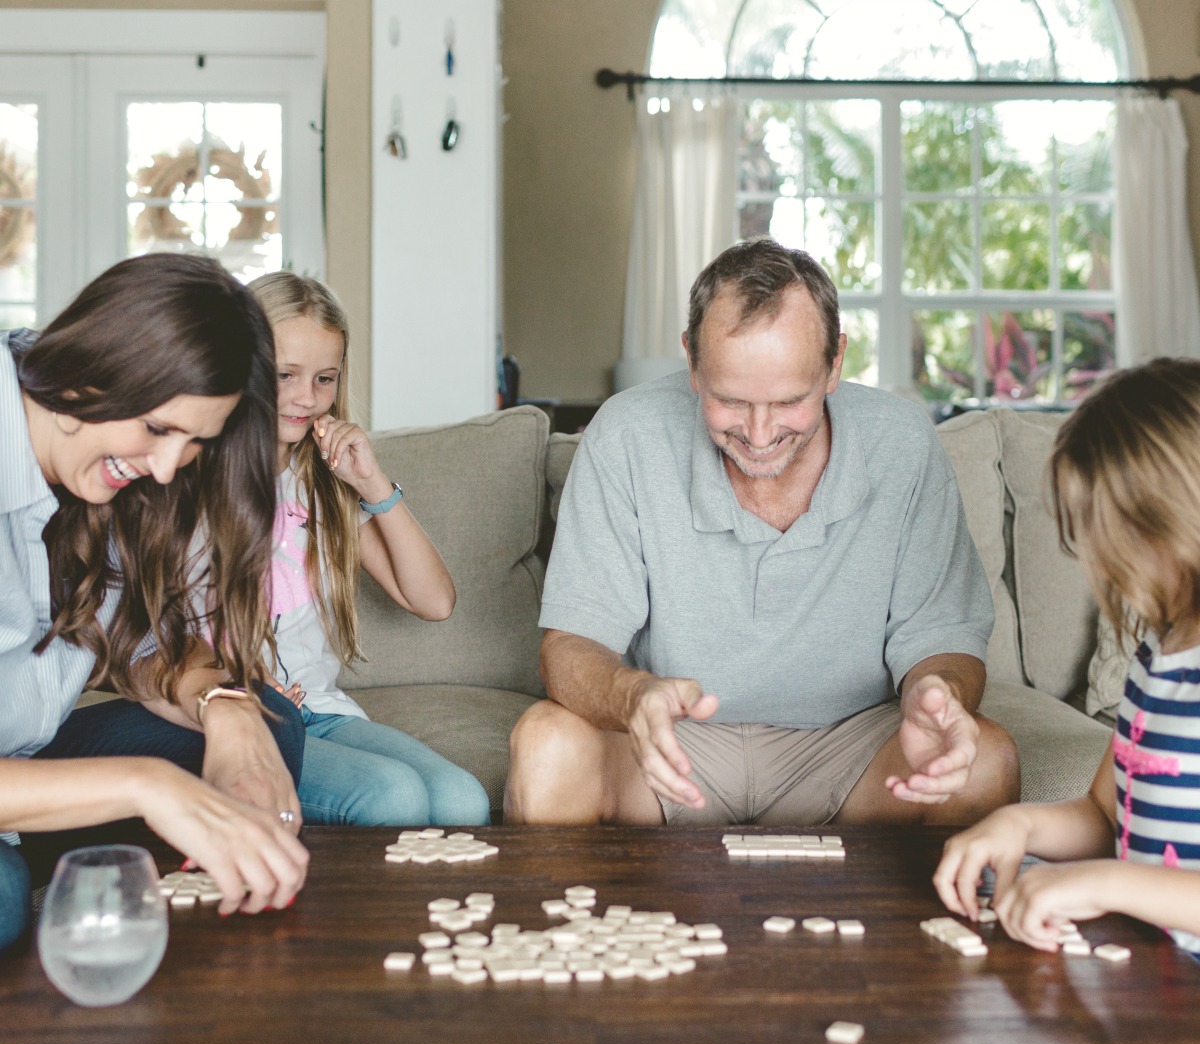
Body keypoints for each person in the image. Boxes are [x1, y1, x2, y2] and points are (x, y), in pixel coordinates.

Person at [506, 238, 1019, 827]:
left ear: (835, 365)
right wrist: (631, 696)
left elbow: (943, 637)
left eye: (787, 401)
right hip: (672, 750)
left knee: (986, 758)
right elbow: (568, 648)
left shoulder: (903, 442)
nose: (758, 432)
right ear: (692, 363)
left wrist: (938, 698)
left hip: (852, 747)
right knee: (546, 742)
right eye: (729, 400)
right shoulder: (625, 434)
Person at [0, 253, 310, 952]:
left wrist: (223, 710)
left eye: (195, 441)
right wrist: (146, 787)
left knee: (268, 724)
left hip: (20, 770)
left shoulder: (96, 482)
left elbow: (147, 647)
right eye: (160, 429)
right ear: (99, 364)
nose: (168, 466)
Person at [935, 359, 1200, 956]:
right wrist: (1020, 825)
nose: (1096, 565)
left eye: (1112, 536)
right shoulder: (1157, 659)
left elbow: (1121, 873)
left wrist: (1109, 884)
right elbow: (1106, 818)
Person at [247, 272, 489, 826]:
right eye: (285, 375)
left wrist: (372, 483)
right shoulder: (193, 475)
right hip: (243, 719)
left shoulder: (323, 488)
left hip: (321, 714)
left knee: (463, 800)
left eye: (324, 379)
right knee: (393, 797)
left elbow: (434, 602)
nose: (307, 397)